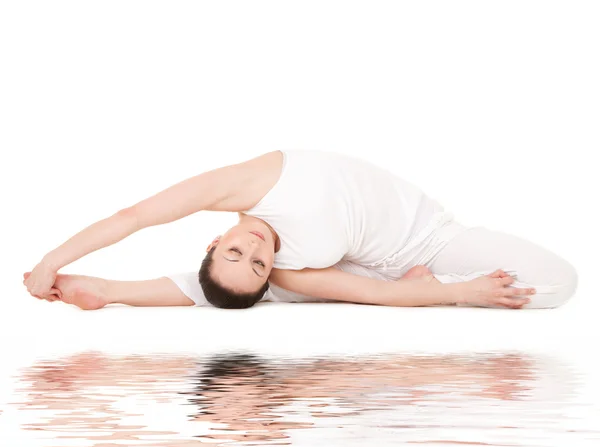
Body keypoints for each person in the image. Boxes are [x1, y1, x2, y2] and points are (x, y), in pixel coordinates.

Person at [23, 149, 578, 310]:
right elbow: (375, 293)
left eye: (236, 249)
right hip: (367, 274)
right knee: (261, 292)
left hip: (429, 240)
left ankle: (112, 291)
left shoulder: (242, 185)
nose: (255, 249)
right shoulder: (286, 271)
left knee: (559, 281)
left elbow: (134, 217)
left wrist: (51, 259)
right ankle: (111, 293)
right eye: (256, 261)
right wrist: (461, 293)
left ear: (215, 237)